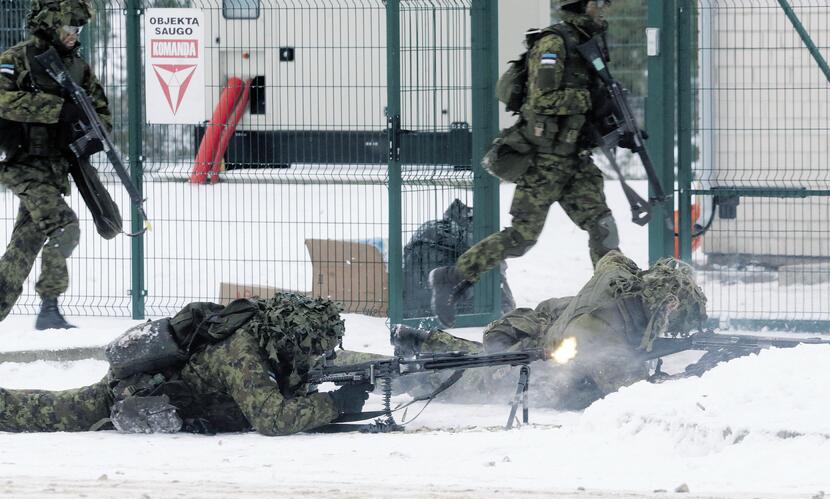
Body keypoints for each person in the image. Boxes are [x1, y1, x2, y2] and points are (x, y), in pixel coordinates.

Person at [429, 0, 621, 327]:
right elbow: (542, 99)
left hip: (574, 160)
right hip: (544, 161)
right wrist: (586, 99)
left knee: (603, 227)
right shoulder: (553, 43)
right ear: (582, 4)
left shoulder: (590, 43)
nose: (604, 9)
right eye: (599, 3)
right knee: (521, 238)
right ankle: (452, 276)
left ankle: (609, 305)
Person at [0, 293, 373, 435]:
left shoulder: (270, 336)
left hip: (171, 391)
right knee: (53, 411)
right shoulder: (242, 353)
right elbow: (272, 420)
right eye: (314, 347)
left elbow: (316, 368)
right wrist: (336, 404)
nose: (318, 354)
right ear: (293, 336)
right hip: (136, 392)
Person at [399, 250, 707, 410]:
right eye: (669, 318)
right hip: (536, 371)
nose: (668, 326)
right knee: (465, 377)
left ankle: (423, 344)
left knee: (482, 361)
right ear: (663, 307)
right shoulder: (600, 332)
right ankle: (412, 361)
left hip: (550, 329)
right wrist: (691, 377)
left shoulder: (617, 278)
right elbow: (633, 392)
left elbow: (613, 258)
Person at [0, 0, 110, 329]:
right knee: (65, 227)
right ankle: (49, 305)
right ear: (51, 25)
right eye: (68, 28)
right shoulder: (17, 58)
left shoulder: (78, 68)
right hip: (22, 165)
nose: (74, 35)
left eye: (79, 30)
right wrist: (55, 109)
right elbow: (2, 99)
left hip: (54, 170)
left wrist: (85, 131)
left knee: (24, 246)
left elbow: (101, 114)